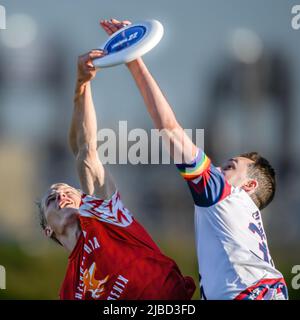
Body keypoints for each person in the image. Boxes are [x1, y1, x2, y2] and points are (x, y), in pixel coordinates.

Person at [101, 18, 289, 300]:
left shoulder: (224, 195)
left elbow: (169, 128)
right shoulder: (244, 224)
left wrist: (133, 59)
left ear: (248, 186)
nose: (217, 168)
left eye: (230, 167)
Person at [37, 45, 195, 300]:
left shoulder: (103, 215)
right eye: (51, 199)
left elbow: (85, 151)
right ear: (48, 230)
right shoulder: (68, 290)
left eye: (68, 191)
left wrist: (81, 85)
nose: (61, 195)